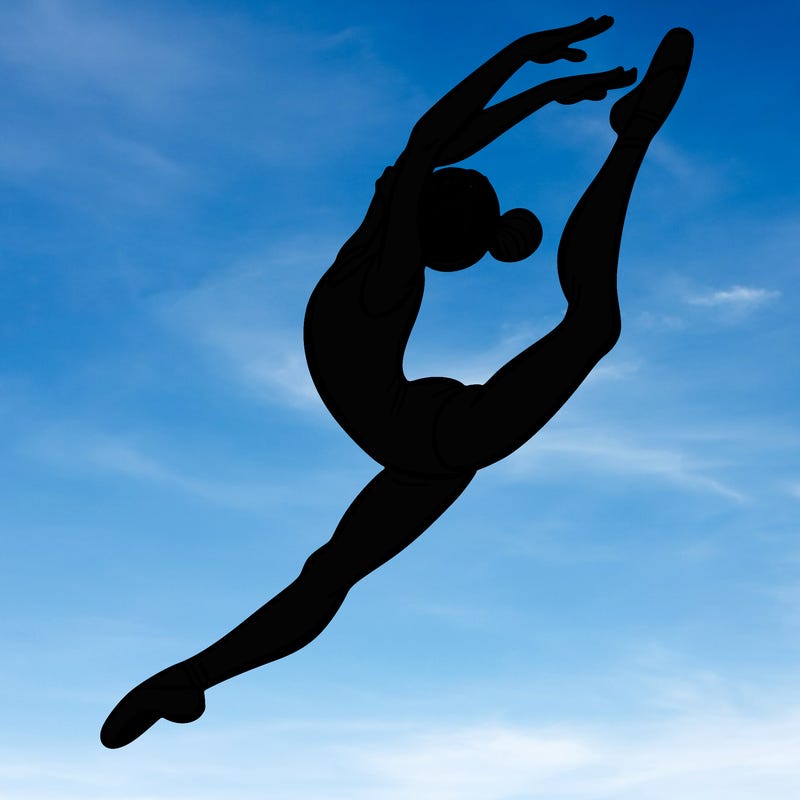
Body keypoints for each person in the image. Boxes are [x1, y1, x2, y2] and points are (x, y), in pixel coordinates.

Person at [101, 18, 693, 749]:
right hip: (430, 436)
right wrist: (525, 69)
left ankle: (632, 134)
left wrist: (536, 83)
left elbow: (434, 149)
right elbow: (434, 143)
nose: (466, 169)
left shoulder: (377, 251)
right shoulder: (387, 261)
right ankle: (184, 679)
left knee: (331, 574)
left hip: (425, 435)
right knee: (591, 325)